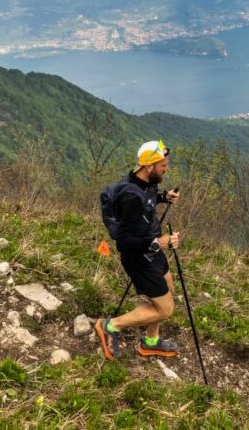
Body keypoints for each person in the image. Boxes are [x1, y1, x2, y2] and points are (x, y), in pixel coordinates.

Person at [95, 140, 181, 360]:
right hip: (139, 259)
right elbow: (123, 243)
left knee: (168, 291)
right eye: (163, 165)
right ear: (149, 166)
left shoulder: (145, 181)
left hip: (151, 250)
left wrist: (163, 197)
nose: (166, 168)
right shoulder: (132, 196)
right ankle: (110, 326)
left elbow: (147, 202)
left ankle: (150, 342)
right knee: (165, 309)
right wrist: (159, 243)